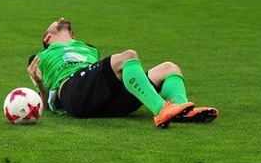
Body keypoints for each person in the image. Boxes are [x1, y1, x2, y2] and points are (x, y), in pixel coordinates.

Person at [26, 18, 218, 128]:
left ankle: (181, 109)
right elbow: (46, 104)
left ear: (74, 36)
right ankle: (161, 109)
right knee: (128, 56)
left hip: (103, 102)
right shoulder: (41, 57)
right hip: (75, 93)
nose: (60, 19)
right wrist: (39, 83)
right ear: (47, 37)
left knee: (169, 68)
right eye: (55, 22)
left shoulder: (89, 49)